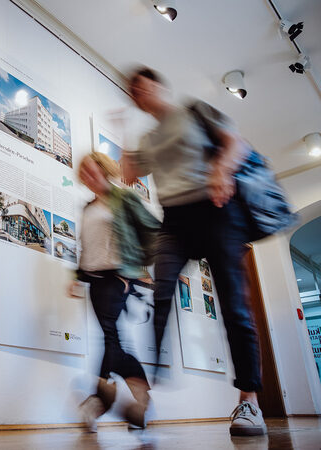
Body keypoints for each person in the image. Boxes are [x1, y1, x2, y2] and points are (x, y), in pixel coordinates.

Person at [122, 66, 266, 436]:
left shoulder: (192, 112)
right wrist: (124, 131)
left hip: (216, 209)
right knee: (161, 290)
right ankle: (146, 396)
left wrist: (220, 168)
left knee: (234, 305)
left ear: (158, 84)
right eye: (131, 90)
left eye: (141, 84)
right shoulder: (150, 137)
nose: (137, 92)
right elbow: (128, 174)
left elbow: (235, 143)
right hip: (175, 219)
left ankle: (249, 400)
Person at [70, 152, 159, 431]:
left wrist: (132, 269)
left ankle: (99, 402)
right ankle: (140, 401)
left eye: (90, 168)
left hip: (117, 276)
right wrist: (78, 277)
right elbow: (89, 247)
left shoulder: (126, 199)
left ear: (103, 168)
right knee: (114, 339)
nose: (86, 174)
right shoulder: (87, 207)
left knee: (110, 335)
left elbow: (153, 233)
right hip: (95, 279)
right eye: (82, 171)